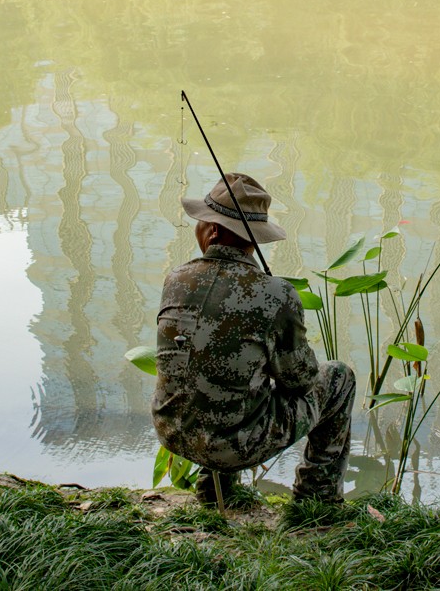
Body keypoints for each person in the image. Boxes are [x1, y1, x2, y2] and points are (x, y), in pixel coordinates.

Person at [151, 172, 356, 505]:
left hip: (172, 431)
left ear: (213, 230)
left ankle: (213, 491)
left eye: (201, 222)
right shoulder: (276, 294)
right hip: (234, 446)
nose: (198, 228)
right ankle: (316, 498)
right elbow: (302, 381)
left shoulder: (176, 279)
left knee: (227, 373)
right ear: (255, 238)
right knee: (338, 378)